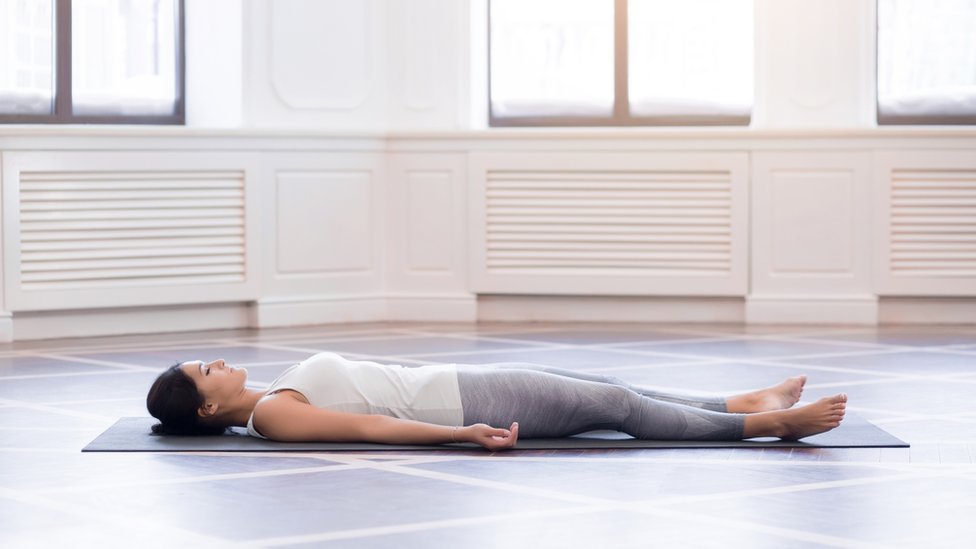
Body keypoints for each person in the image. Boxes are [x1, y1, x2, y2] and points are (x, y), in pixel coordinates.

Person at [146, 352, 847, 451]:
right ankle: (766, 423)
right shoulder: (271, 414)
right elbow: (369, 426)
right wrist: (460, 435)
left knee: (608, 387)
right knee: (614, 403)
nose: (219, 362)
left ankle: (737, 400)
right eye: (206, 371)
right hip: (462, 402)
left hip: (460, 379)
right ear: (206, 408)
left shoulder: (268, 393)